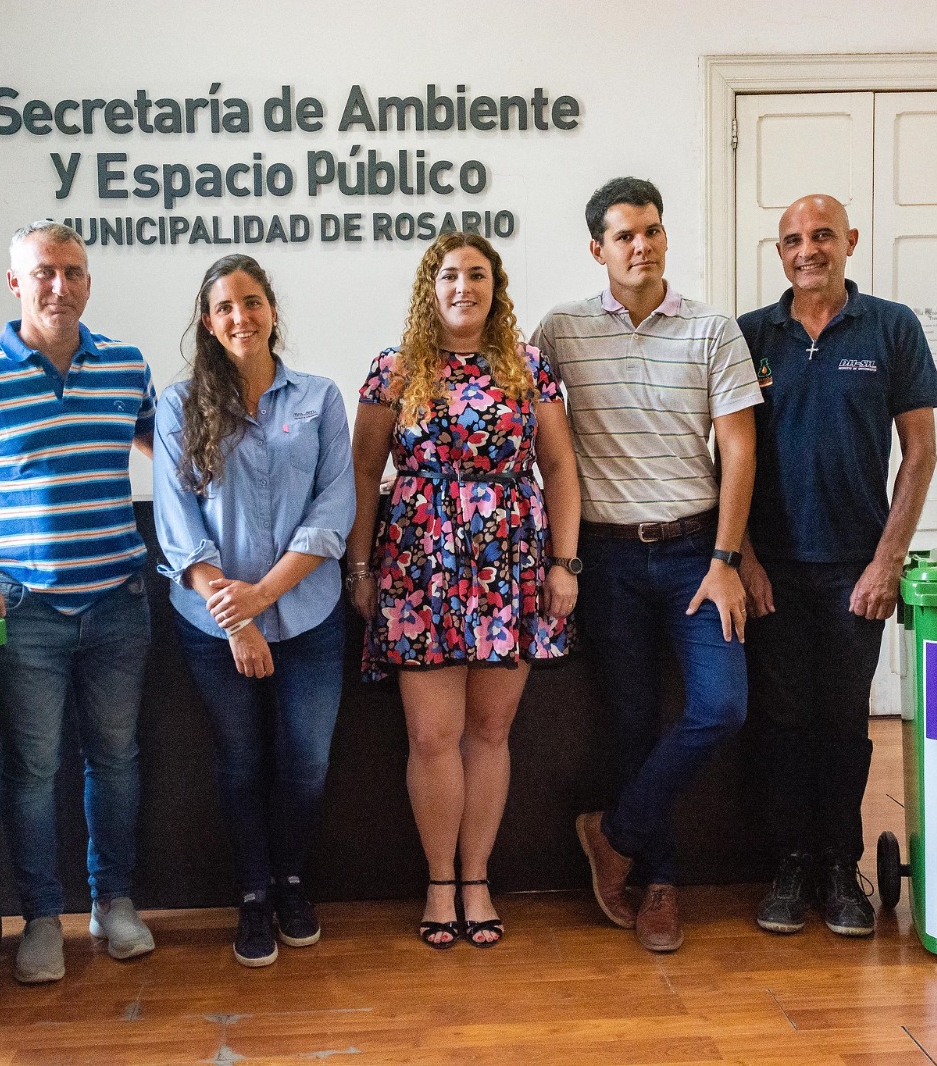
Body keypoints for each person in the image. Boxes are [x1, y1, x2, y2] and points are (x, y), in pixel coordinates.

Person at [0, 220, 157, 984]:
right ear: (15, 282)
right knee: (34, 767)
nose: (60, 286)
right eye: (44, 272)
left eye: (74, 272)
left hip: (119, 598)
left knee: (115, 761)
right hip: (23, 610)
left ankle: (115, 905)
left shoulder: (125, 366)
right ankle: (41, 918)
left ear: (88, 282)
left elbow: (174, 455)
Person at [532, 176, 761, 953]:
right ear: (597, 247)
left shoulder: (711, 330)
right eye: (626, 234)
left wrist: (728, 557)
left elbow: (738, 447)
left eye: (654, 231)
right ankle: (658, 883)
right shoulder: (559, 332)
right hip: (605, 557)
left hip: (699, 551)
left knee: (720, 706)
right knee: (629, 723)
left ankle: (614, 833)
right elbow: (525, 427)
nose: (643, 245)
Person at [346, 231, 580, 949]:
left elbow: (561, 469)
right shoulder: (394, 370)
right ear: (431, 287)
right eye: (450, 275)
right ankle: (438, 881)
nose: (463, 287)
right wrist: (361, 568)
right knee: (431, 734)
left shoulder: (528, 367)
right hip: (418, 566)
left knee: (489, 732)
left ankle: (476, 877)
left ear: (494, 287)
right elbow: (361, 473)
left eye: (477, 275)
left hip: (508, 565)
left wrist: (564, 564)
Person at [738, 193, 937, 938]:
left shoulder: (891, 327)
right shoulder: (753, 335)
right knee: (784, 722)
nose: (807, 249)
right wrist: (744, 560)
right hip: (774, 572)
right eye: (792, 239)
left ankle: (840, 865)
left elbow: (919, 453)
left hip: (856, 571)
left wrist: (887, 563)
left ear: (850, 241)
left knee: (845, 724)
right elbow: (726, 457)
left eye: (822, 235)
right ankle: (790, 865)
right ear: (779, 250)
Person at [152, 255, 354, 968]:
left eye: (252, 301)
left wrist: (263, 599)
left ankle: (292, 881)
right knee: (240, 765)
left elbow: (335, 510)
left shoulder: (320, 397)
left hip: (308, 618)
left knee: (307, 764)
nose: (241, 316)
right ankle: (251, 896)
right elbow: (178, 528)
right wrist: (237, 620)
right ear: (209, 323)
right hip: (212, 626)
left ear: (272, 309)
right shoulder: (179, 406)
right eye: (225, 307)